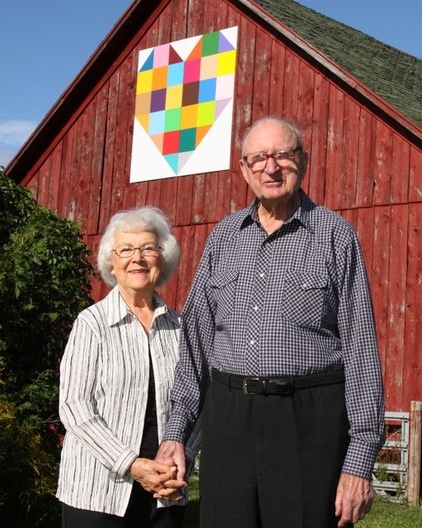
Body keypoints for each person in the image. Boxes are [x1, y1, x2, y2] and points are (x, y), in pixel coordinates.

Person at [156, 117, 385, 528]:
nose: (271, 167)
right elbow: (195, 347)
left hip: (308, 422)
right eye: (258, 158)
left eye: (282, 154)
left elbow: (362, 352)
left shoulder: (335, 235)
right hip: (229, 419)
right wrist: (177, 435)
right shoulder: (223, 237)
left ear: (303, 161)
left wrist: (359, 460)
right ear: (244, 170)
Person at [56, 206, 199, 528]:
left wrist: (183, 459)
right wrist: (132, 465)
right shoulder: (91, 323)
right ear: (112, 261)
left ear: (163, 258)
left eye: (148, 248)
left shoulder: (181, 329)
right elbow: (75, 405)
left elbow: (197, 402)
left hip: (165, 490)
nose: (138, 258)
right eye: (126, 250)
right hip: (96, 491)